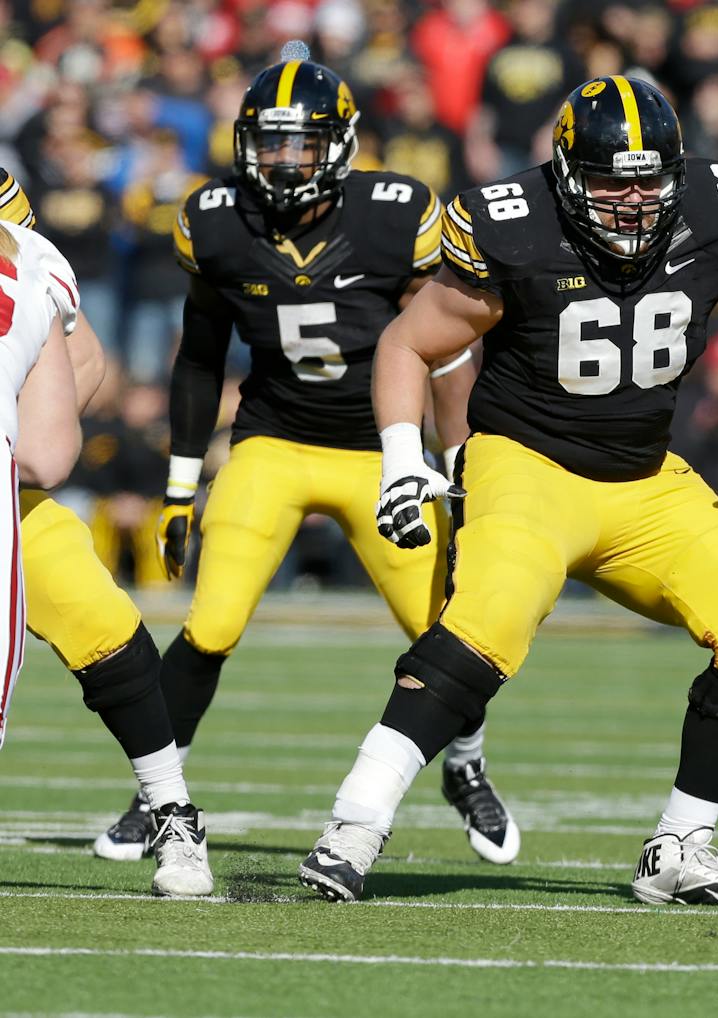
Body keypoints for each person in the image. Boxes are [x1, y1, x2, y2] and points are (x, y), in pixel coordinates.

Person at [297, 75, 718, 904]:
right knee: (485, 624)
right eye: (610, 182)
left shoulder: (716, 210)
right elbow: (406, 346)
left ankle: (678, 845)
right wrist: (402, 457)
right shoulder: (514, 225)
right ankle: (355, 824)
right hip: (528, 462)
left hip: (643, 478)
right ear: (565, 174)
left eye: (648, 180)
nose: (633, 202)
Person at [91, 50, 520, 868]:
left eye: (303, 143)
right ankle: (159, 798)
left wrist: (462, 464)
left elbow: (447, 348)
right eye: (271, 142)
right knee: (209, 624)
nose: (285, 161)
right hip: (275, 441)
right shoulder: (214, 219)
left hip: (376, 451)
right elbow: (199, 353)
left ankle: (465, 768)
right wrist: (182, 485)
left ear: (343, 144)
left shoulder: (397, 213)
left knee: (446, 629)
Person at [1, 171, 213, 897]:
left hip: (10, 499)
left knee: (105, 627)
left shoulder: (28, 259)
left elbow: (82, 363)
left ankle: (171, 811)